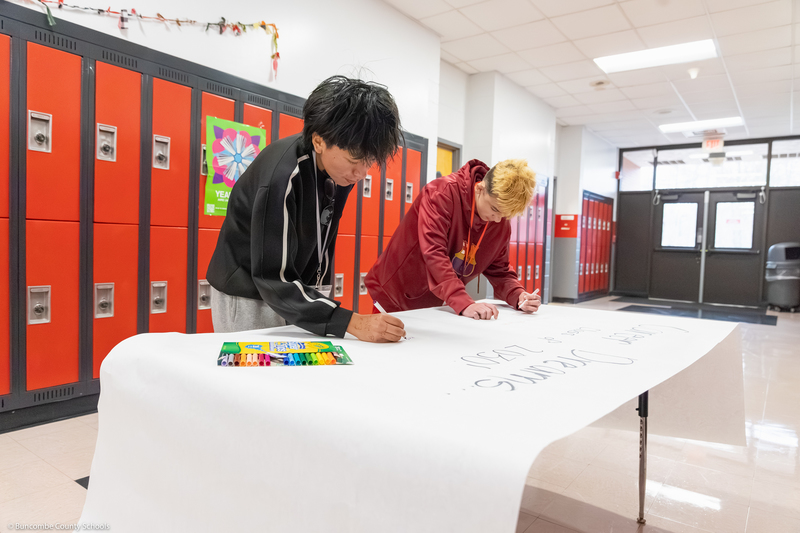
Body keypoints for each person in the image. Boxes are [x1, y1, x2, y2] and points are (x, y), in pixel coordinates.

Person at [207, 76, 406, 342]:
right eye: (354, 160)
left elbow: (321, 237)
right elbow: (271, 277)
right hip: (249, 295)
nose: (361, 173)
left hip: (295, 293)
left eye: (369, 161)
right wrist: (351, 322)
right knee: (255, 378)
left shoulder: (338, 173)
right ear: (319, 141)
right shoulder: (283, 175)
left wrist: (320, 301)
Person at [365, 158, 541, 320]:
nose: (497, 219)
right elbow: (434, 253)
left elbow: (499, 270)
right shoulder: (441, 194)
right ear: (479, 188)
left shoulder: (498, 221)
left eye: (505, 215)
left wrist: (518, 294)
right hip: (395, 294)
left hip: (434, 301)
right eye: (495, 209)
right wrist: (463, 302)